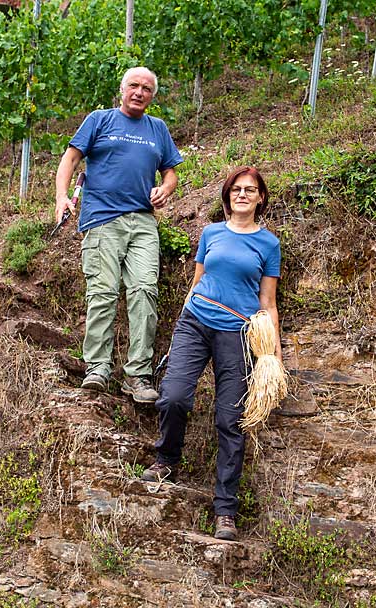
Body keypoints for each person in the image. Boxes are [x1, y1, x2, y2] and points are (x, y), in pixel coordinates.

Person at [141, 166, 281, 542]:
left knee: (230, 418)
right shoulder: (211, 233)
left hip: (237, 332)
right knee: (173, 396)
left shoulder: (268, 244)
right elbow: (197, 281)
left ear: (260, 198)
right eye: (236, 189)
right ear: (227, 195)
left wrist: (274, 357)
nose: (242, 195)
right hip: (195, 321)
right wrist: (178, 329)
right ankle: (167, 460)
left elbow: (267, 302)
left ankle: (225, 511)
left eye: (250, 190)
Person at [55, 67, 183, 404]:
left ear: (152, 96)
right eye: (134, 86)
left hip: (143, 222)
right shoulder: (100, 120)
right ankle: (97, 367)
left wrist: (165, 189)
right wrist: (61, 197)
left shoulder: (158, 129)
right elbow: (70, 158)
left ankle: (137, 376)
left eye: (147, 89)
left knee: (144, 292)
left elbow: (170, 172)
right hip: (102, 219)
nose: (139, 92)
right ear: (122, 89)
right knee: (103, 291)